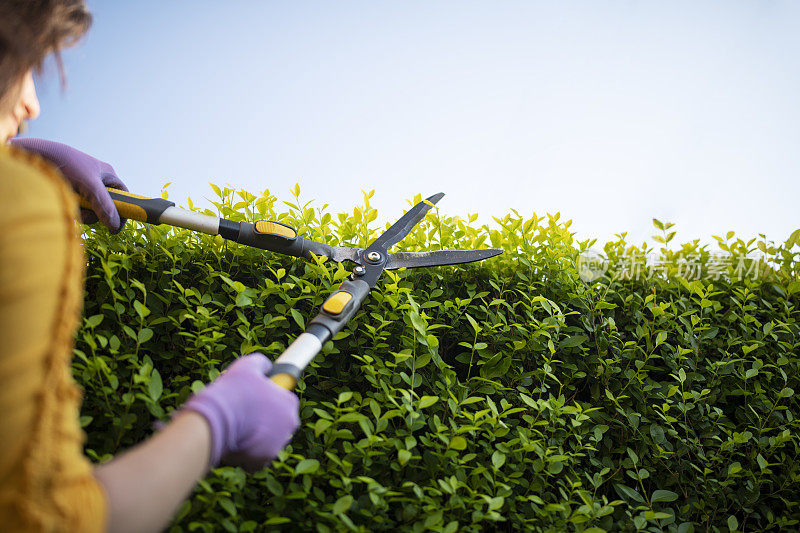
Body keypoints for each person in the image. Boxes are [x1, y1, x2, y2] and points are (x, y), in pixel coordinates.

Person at [0, 2, 301, 531]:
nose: (31, 104)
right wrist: (215, 423)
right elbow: (51, 521)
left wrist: (18, 153)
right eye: (26, 62)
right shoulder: (21, 208)